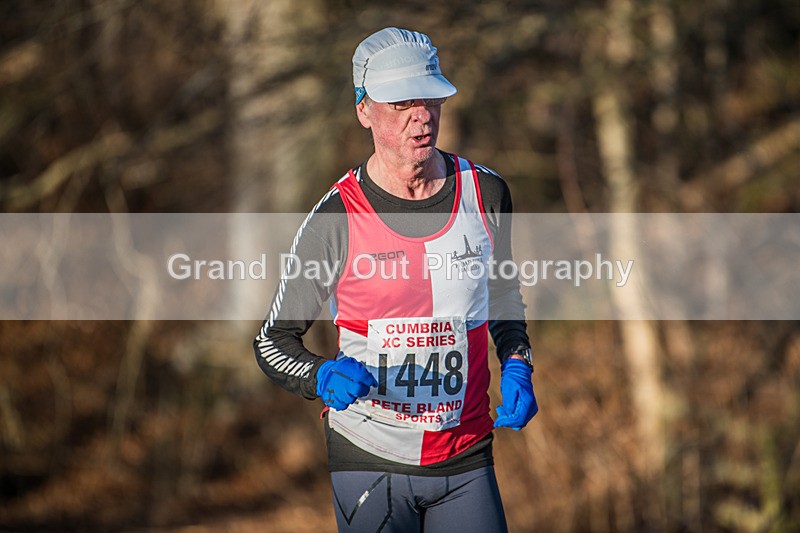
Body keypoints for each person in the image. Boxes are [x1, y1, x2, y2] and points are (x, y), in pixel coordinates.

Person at [254, 27, 538, 533]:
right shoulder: (336, 217)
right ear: (363, 109)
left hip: (466, 453)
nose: (422, 116)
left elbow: (502, 292)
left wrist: (517, 361)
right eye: (401, 103)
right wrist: (319, 376)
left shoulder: (485, 192)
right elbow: (272, 341)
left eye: (431, 99)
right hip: (370, 456)